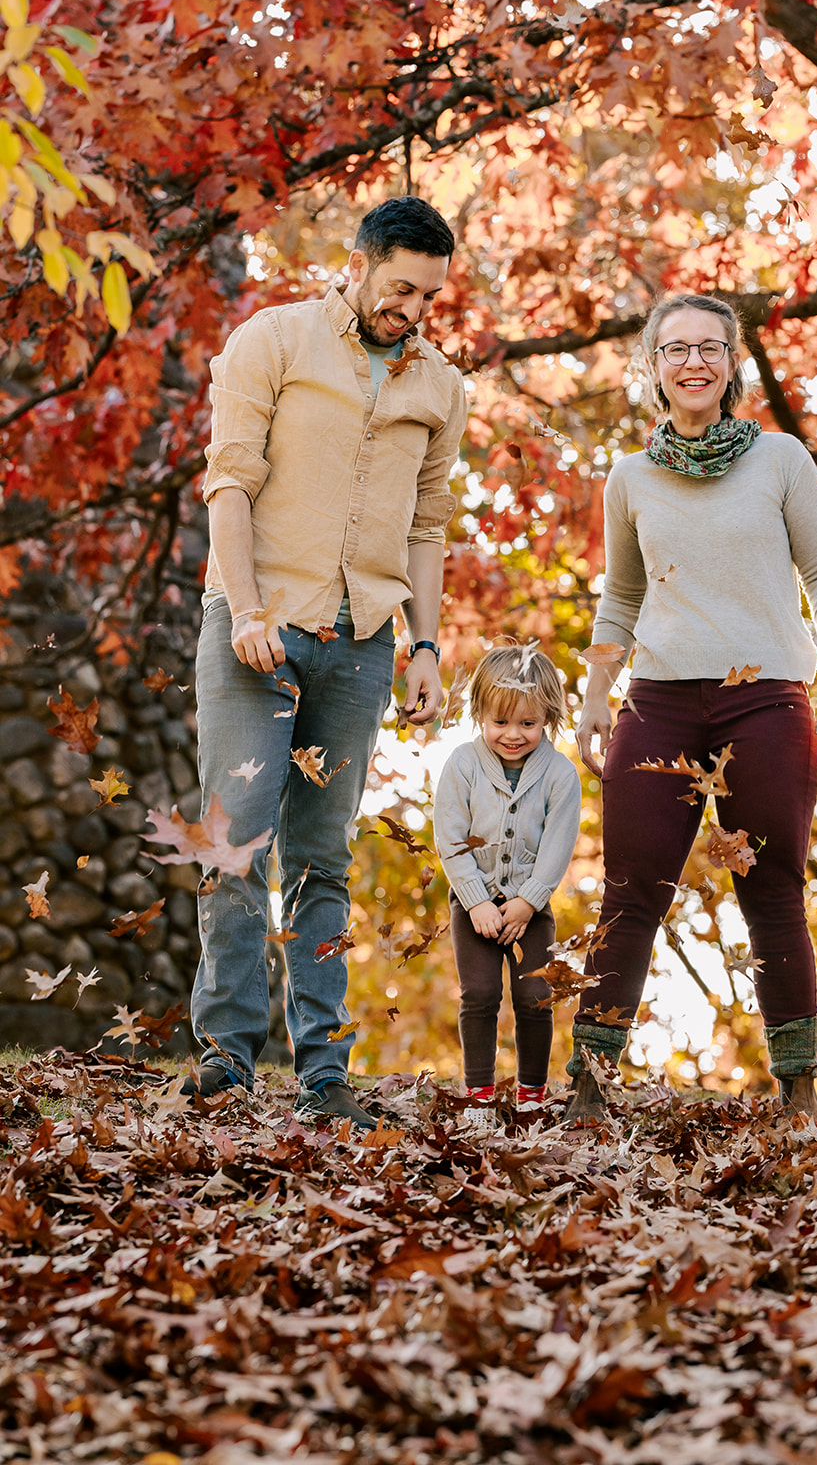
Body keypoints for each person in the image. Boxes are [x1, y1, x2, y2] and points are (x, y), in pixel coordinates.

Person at [183, 195, 467, 1126]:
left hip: (361, 645)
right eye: (399, 289)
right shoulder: (274, 341)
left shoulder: (439, 387)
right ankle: (226, 1058)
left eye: (427, 296)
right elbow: (230, 484)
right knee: (236, 847)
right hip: (257, 629)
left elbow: (426, 527)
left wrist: (425, 644)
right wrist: (248, 608)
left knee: (322, 859)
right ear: (359, 262)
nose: (412, 310)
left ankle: (323, 1075)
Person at [571, 292, 817, 1126]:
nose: (692, 362)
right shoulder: (629, 476)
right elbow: (619, 598)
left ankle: (798, 1089)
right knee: (629, 893)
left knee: (772, 890)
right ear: (652, 367)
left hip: (766, 703)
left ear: (730, 361)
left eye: (708, 347)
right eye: (674, 349)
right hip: (656, 704)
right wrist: (596, 697)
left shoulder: (779, 460)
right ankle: (589, 1089)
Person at [433, 645, 581, 1130]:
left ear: (548, 718)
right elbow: (449, 837)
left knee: (533, 999)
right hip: (472, 903)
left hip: (529, 909)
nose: (513, 735)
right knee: (478, 994)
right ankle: (478, 1094)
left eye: (528, 724)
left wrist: (527, 902)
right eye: (500, 722)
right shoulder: (463, 764)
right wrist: (476, 901)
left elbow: (559, 844)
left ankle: (532, 1093)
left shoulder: (559, 774)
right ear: (480, 714)